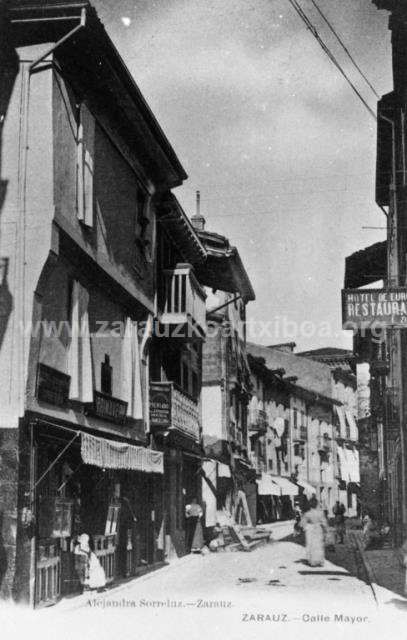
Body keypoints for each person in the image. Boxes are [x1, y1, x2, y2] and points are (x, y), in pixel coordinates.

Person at [301, 496, 328, 567]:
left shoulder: (307, 513)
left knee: (311, 545)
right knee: (319, 544)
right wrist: (325, 529)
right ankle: (320, 561)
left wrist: (304, 528)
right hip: (318, 529)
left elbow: (302, 523)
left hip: (310, 529)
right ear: (316, 504)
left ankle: (312, 561)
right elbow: (324, 522)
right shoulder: (320, 513)